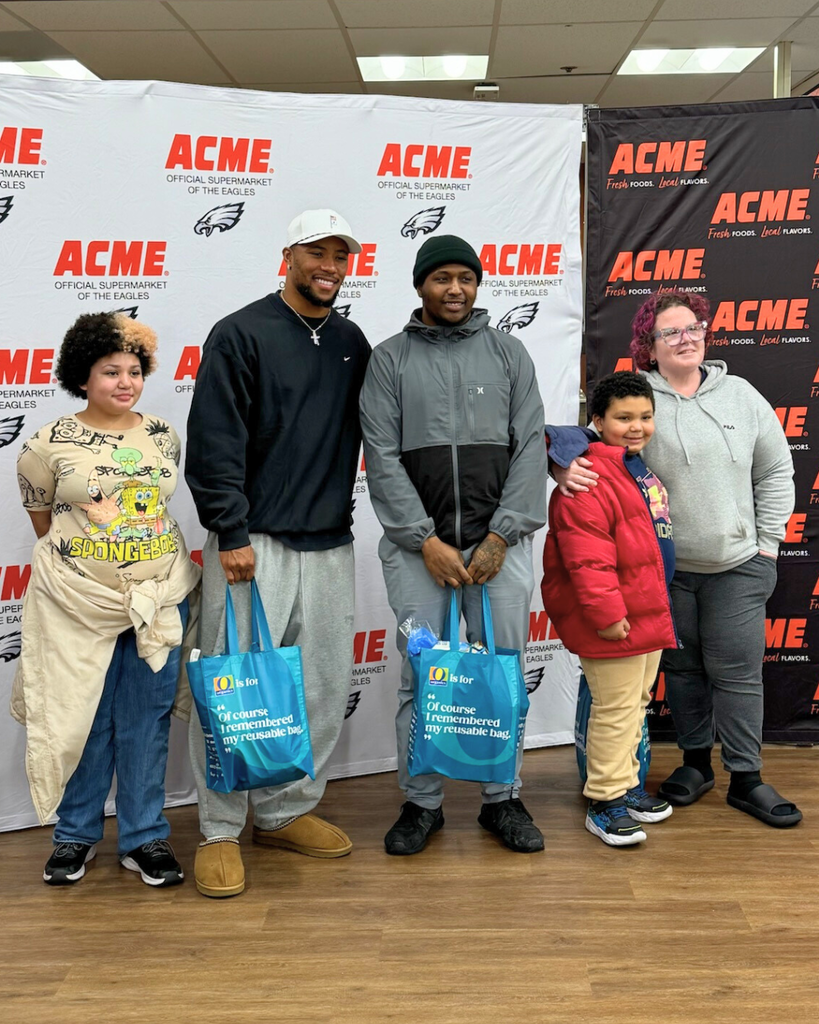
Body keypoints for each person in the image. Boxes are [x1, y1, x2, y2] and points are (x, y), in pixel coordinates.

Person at [552, 289, 801, 828]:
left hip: (737, 564)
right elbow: (577, 437)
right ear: (649, 345)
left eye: (693, 327)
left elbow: (777, 471)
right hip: (666, 573)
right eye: (671, 332)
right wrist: (559, 466)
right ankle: (694, 765)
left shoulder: (742, 395)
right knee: (683, 671)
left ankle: (746, 777)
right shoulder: (642, 397)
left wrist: (767, 546)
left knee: (737, 674)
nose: (685, 338)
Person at [185, 209, 371, 897]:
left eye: (340, 255)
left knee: (319, 689)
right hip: (252, 543)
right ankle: (219, 828)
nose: (329, 265)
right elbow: (213, 440)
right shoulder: (241, 332)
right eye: (316, 252)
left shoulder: (352, 340)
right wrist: (229, 531)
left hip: (327, 540)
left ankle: (285, 810)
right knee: (237, 689)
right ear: (287, 254)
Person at [360, 234, 548, 856]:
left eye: (465, 278)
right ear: (420, 286)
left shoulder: (510, 353)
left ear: (478, 284)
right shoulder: (389, 360)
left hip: (502, 553)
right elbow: (381, 457)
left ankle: (504, 799)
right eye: (441, 278)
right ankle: (422, 803)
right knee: (422, 676)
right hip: (421, 557)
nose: (455, 289)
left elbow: (530, 448)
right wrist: (424, 541)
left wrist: (501, 535)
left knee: (501, 675)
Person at [13, 312, 200, 887]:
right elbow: (42, 517)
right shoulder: (46, 445)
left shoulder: (164, 434)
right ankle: (75, 835)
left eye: (134, 371)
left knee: (146, 719)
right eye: (110, 371)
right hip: (76, 602)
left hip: (160, 596)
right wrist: (89, 570)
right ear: (82, 376)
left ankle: (145, 837)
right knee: (82, 715)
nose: (125, 382)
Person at [543, 372, 675, 845]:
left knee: (635, 706)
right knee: (616, 709)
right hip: (614, 619)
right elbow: (587, 559)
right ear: (597, 420)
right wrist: (607, 616)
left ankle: (627, 787)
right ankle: (604, 802)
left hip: (647, 611)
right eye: (623, 417)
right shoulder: (589, 476)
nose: (636, 426)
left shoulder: (635, 467)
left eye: (645, 416)